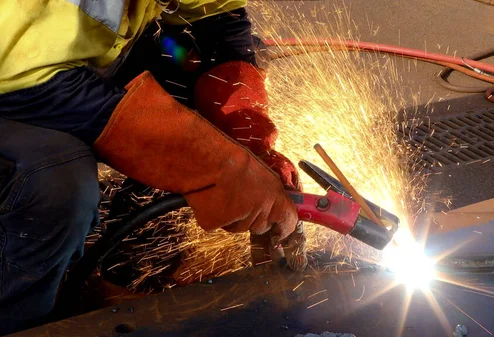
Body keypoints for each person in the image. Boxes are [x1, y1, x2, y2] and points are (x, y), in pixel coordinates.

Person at [0, 0, 306, 334]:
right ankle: (24, 319)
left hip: (58, 64)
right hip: (18, 78)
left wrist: (249, 140)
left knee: (186, 61)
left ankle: (133, 273)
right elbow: (35, 82)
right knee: (58, 182)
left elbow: (217, 22)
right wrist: (222, 166)